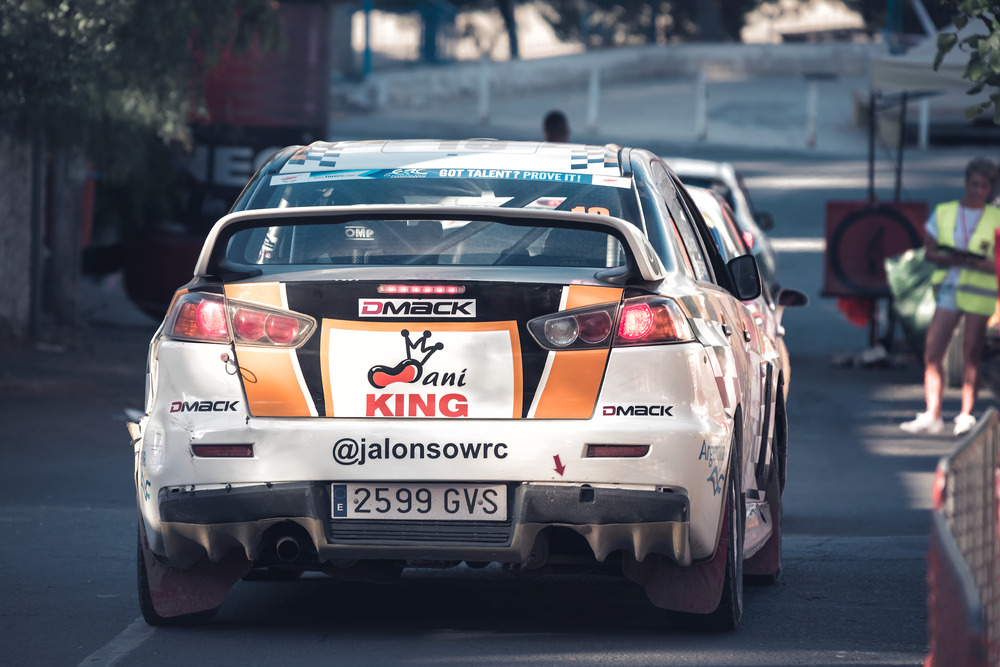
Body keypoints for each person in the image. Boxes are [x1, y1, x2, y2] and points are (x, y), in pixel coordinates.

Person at [901, 157, 1000, 435]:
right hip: (950, 287)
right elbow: (929, 251)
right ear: (966, 182)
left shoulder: (995, 218)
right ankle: (933, 412)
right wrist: (951, 258)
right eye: (974, 184)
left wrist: (983, 264)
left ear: (990, 188)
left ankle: (965, 414)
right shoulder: (945, 212)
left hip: (980, 291)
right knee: (933, 351)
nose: (977, 190)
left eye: (984, 186)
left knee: (972, 352)